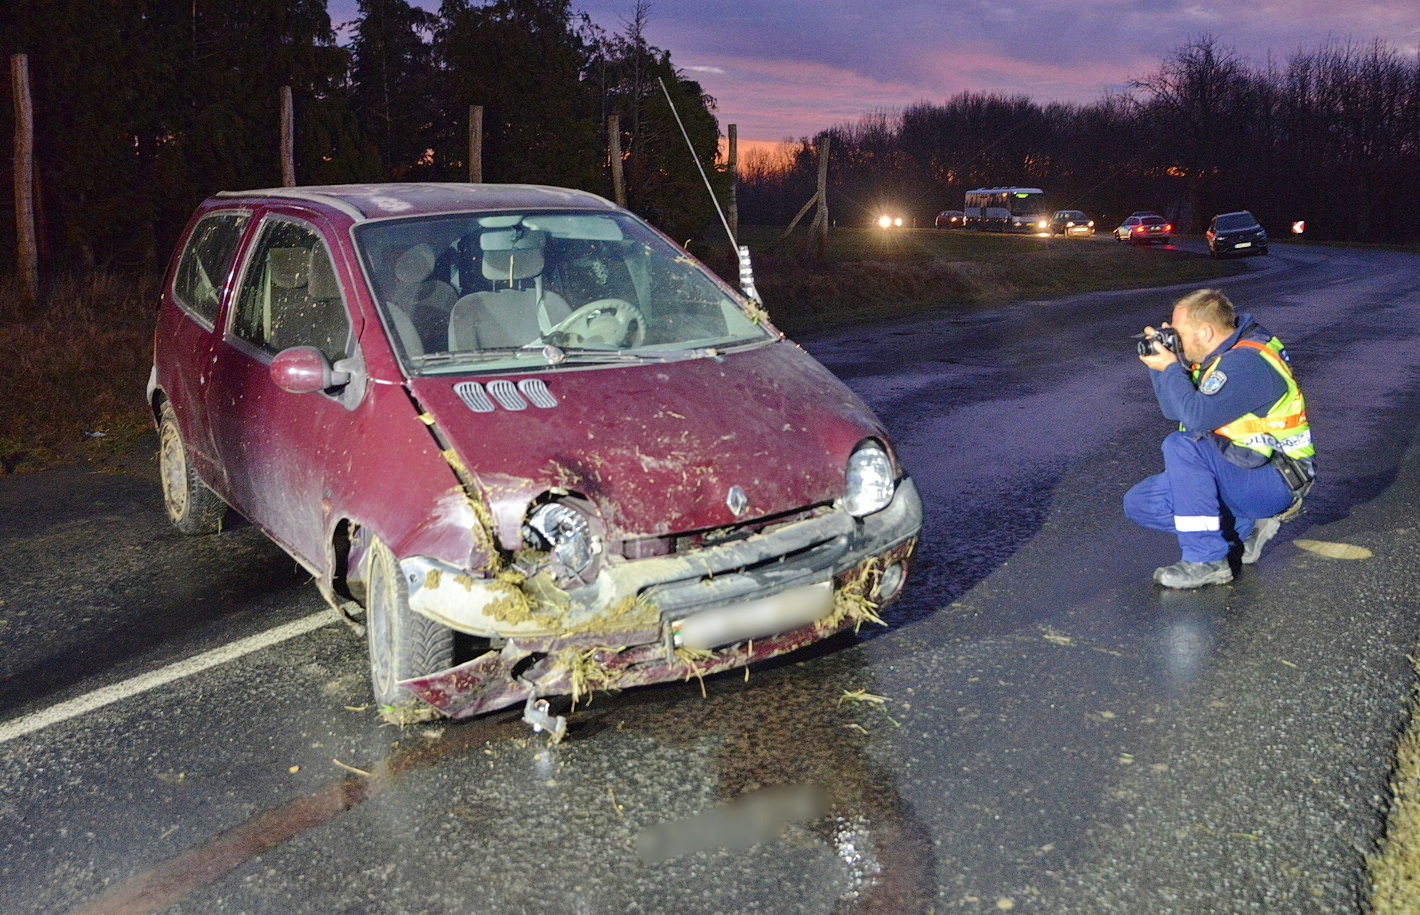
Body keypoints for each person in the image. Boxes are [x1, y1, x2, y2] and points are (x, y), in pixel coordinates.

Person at [1124, 288, 1316, 589]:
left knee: (1181, 446)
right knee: (1141, 503)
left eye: (1178, 333)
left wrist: (1172, 367)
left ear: (1205, 332)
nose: (1175, 339)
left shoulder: (1248, 362)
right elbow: (1174, 410)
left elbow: (1196, 418)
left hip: (1276, 478)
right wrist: (1162, 367)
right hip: (1240, 468)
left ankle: (1207, 561)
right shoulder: (1218, 355)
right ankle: (1243, 530)